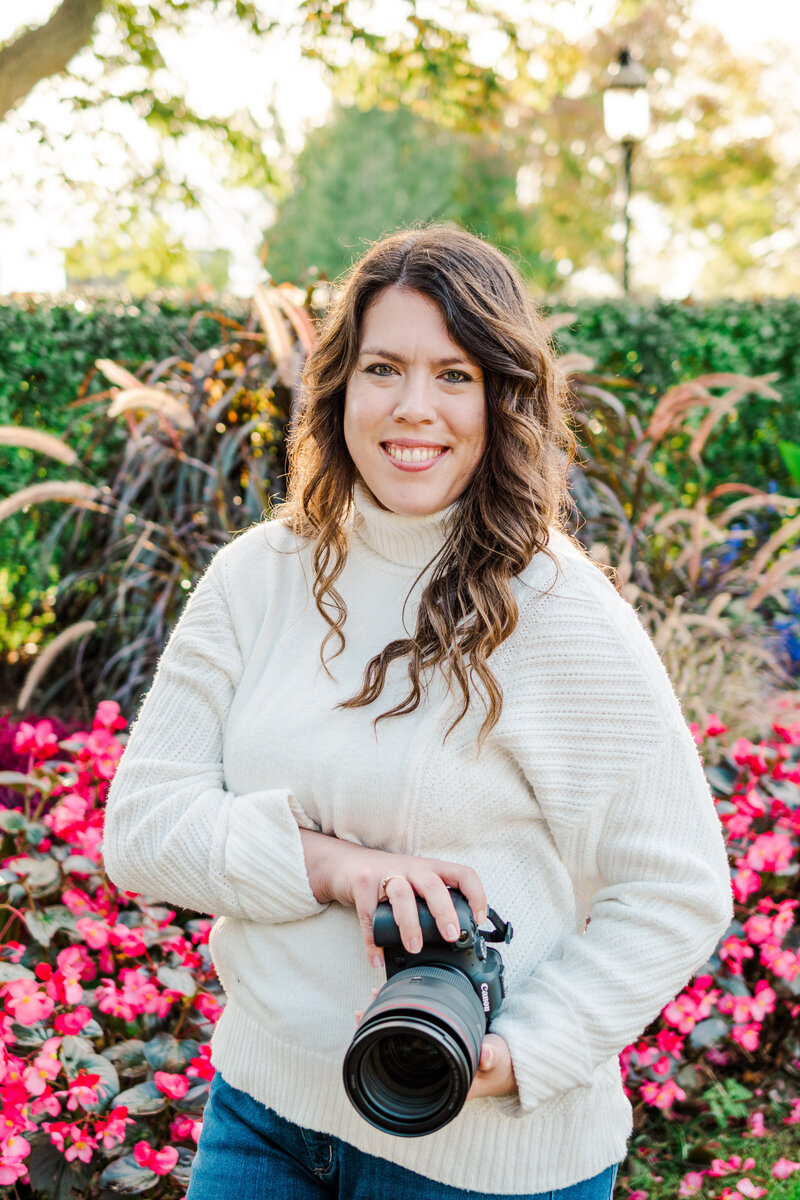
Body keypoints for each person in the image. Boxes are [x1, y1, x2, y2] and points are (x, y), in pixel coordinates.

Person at [101, 224, 733, 1199]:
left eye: (452, 375)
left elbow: (678, 888)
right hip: (262, 1119)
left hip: (478, 1165)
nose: (412, 409)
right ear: (339, 388)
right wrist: (339, 869)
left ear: (499, 396)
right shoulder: (256, 578)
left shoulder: (560, 613)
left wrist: (519, 1051)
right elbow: (142, 830)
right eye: (383, 368)